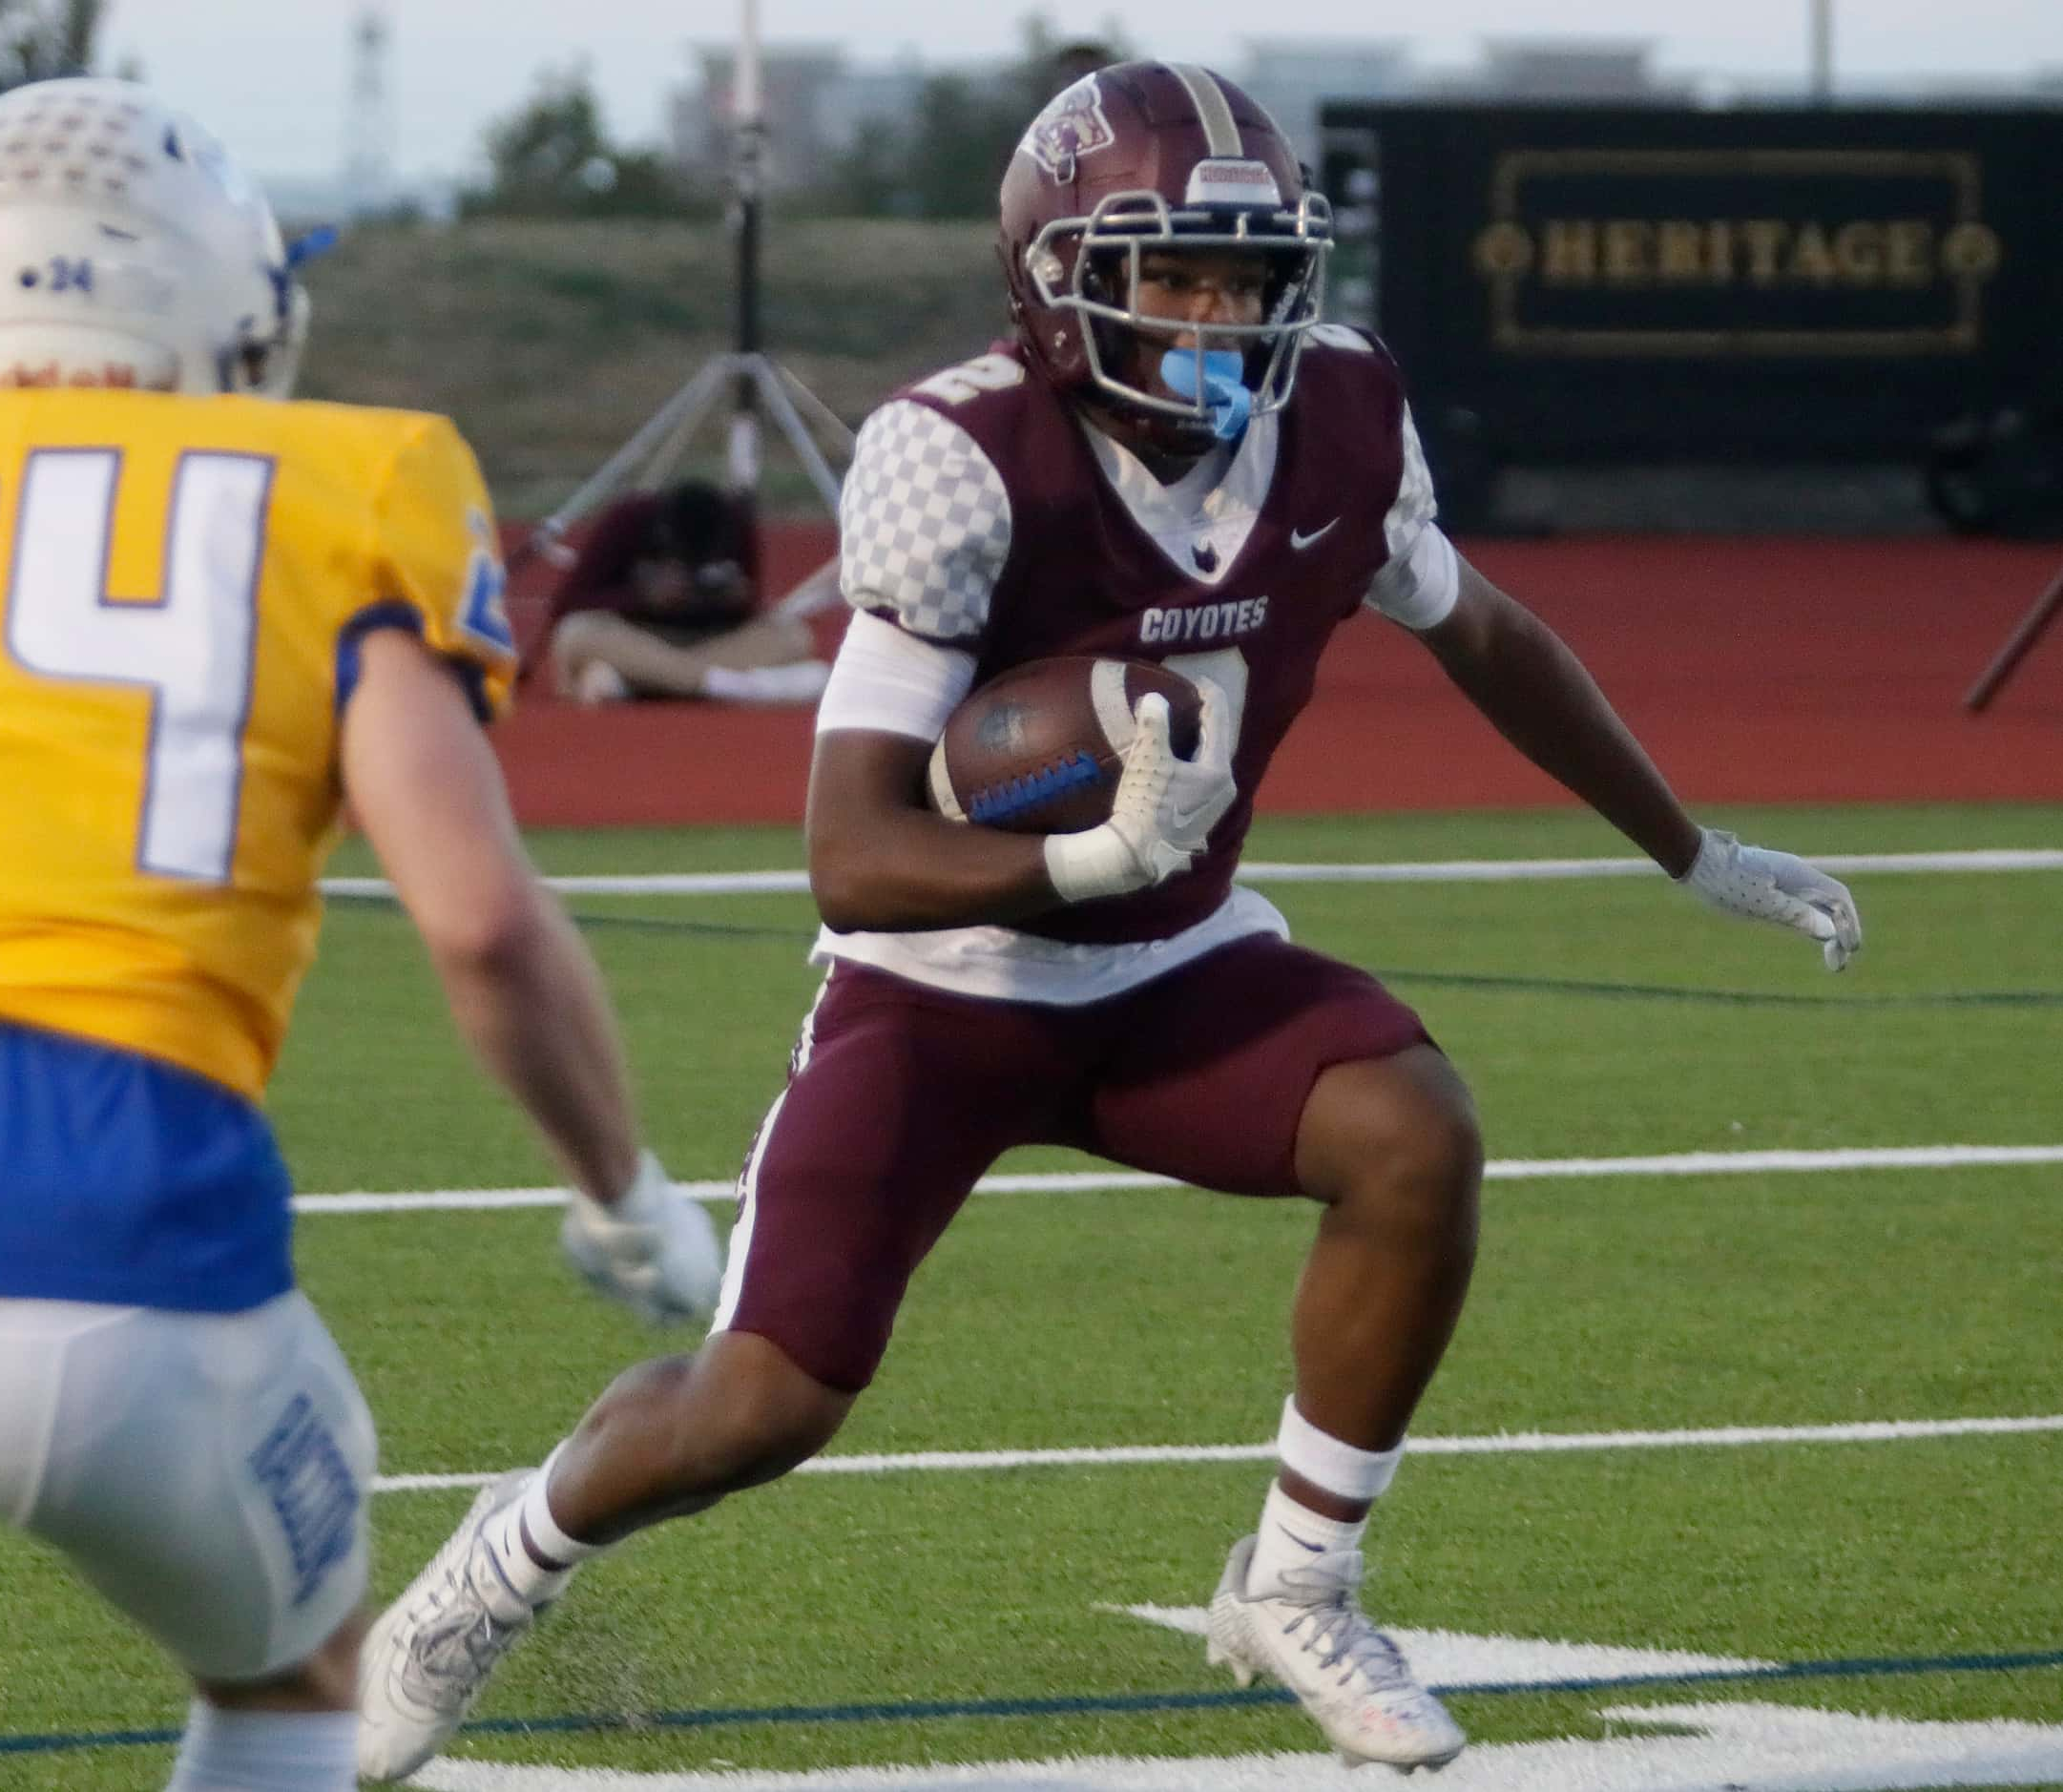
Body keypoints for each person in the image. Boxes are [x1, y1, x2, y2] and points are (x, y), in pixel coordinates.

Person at [358, 61, 1863, 1781]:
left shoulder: (1342, 414)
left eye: (1250, 277)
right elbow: (848, 854)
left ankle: (1294, 1581)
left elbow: (1483, 633)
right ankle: (492, 1568)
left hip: (1172, 971)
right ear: (1055, 276)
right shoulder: (963, 454)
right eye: (1175, 276)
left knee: (1411, 1130)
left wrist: (1684, 845)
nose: (1221, 317)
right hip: (942, 987)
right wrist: (1078, 861)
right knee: (757, 1405)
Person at [0, 78, 720, 1792]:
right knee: (296, 1677)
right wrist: (623, 1189)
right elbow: (481, 921)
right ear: (224, 299)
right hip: (88, 1208)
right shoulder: (340, 477)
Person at [538, 477, 831, 705]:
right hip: (639, 637)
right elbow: (567, 604)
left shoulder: (737, 523)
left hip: (713, 640)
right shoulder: (628, 519)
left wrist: (735, 600)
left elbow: (752, 604)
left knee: (794, 634)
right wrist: (641, 599)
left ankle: (644, 683)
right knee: (575, 632)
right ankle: (726, 685)